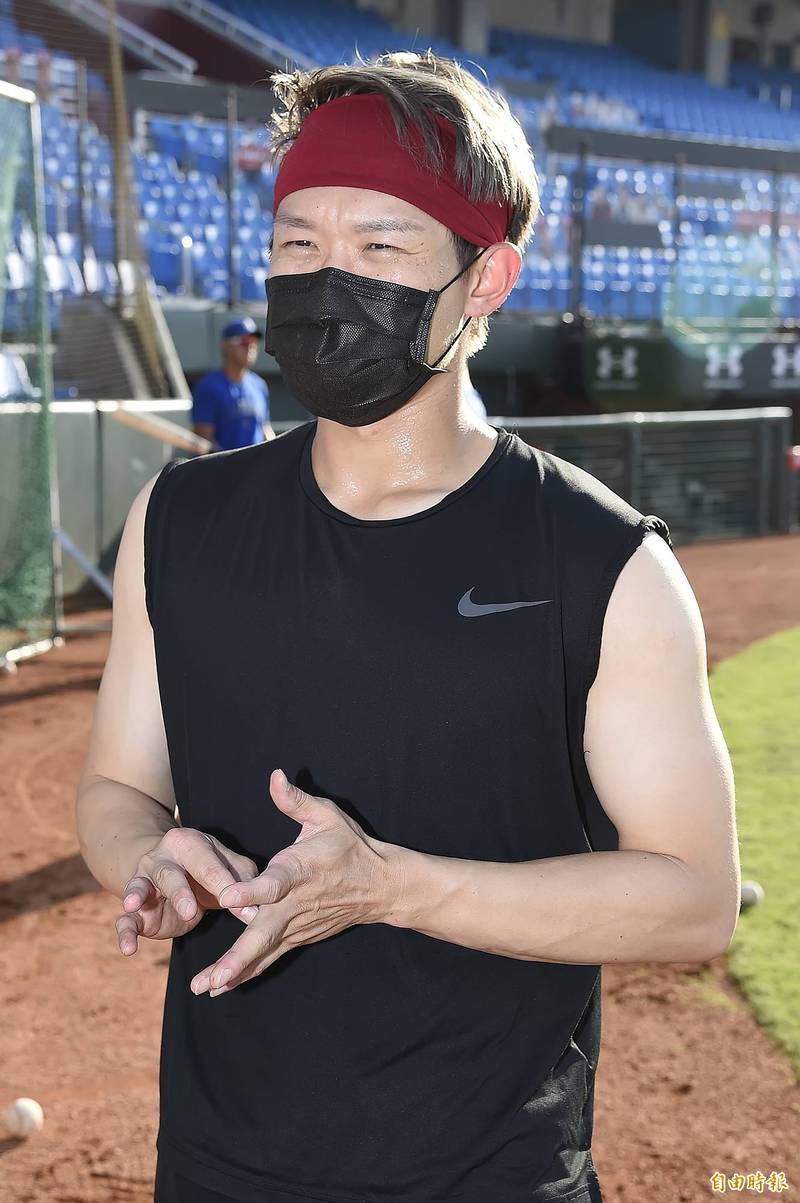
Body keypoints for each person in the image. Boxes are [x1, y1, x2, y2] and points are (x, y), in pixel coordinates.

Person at [76, 51, 740, 1203]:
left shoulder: (600, 563)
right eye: (298, 242)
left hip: (487, 1176)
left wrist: (391, 887)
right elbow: (115, 788)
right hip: (216, 1169)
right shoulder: (177, 522)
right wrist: (147, 856)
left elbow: (693, 899)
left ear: (486, 280)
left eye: (380, 247)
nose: (327, 277)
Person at [191, 316, 275, 451]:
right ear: (226, 346)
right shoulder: (209, 387)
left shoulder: (259, 385)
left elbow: (264, 428)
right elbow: (204, 439)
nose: (250, 346)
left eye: (254, 342)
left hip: (257, 463)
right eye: (244, 342)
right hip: (224, 463)